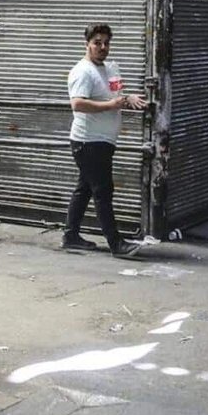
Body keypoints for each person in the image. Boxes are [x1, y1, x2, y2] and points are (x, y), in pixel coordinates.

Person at [62, 23, 147, 257]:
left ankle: (70, 236)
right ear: (87, 44)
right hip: (88, 141)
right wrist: (111, 105)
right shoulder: (83, 71)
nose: (102, 47)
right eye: (97, 43)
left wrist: (127, 98)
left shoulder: (110, 68)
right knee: (103, 190)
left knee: (84, 189)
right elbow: (77, 103)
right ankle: (116, 244)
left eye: (106, 43)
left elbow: (115, 95)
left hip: (104, 141)